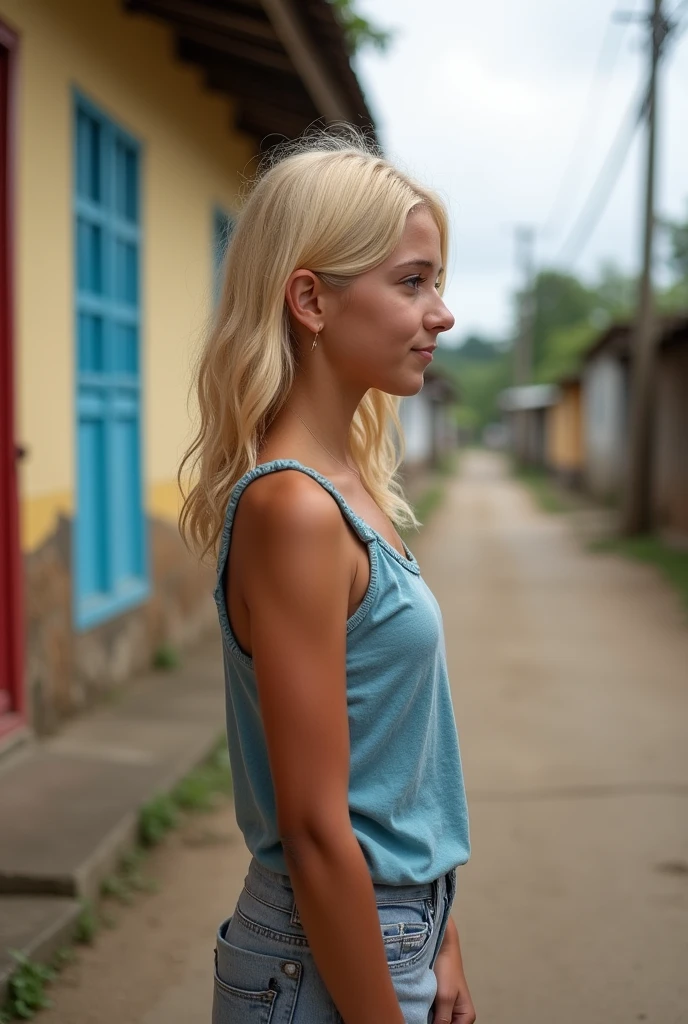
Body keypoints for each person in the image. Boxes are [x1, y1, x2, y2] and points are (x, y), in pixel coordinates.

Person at [178, 127, 475, 1024]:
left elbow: (398, 766)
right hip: (325, 959)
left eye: (437, 281)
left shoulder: (352, 487)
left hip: (391, 932)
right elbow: (313, 830)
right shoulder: (296, 510)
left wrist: (443, 933)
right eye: (413, 281)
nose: (443, 313)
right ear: (310, 299)